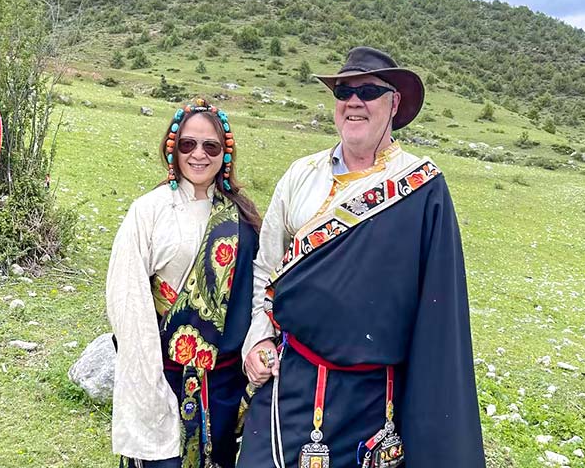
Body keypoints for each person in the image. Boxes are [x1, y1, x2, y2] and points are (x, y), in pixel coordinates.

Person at [237, 47, 485, 467]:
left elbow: (438, 307)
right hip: (292, 376)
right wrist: (258, 335)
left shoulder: (422, 188)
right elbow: (268, 266)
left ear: (394, 103)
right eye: (344, 92)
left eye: (369, 90)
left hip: (374, 399)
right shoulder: (301, 174)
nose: (353, 101)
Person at [106, 98, 261, 468]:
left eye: (211, 146)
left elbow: (256, 290)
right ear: (173, 146)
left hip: (222, 384)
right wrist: (148, 385)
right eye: (189, 144)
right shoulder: (149, 211)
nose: (199, 155)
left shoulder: (241, 215)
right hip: (162, 374)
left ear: (225, 153)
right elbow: (128, 301)